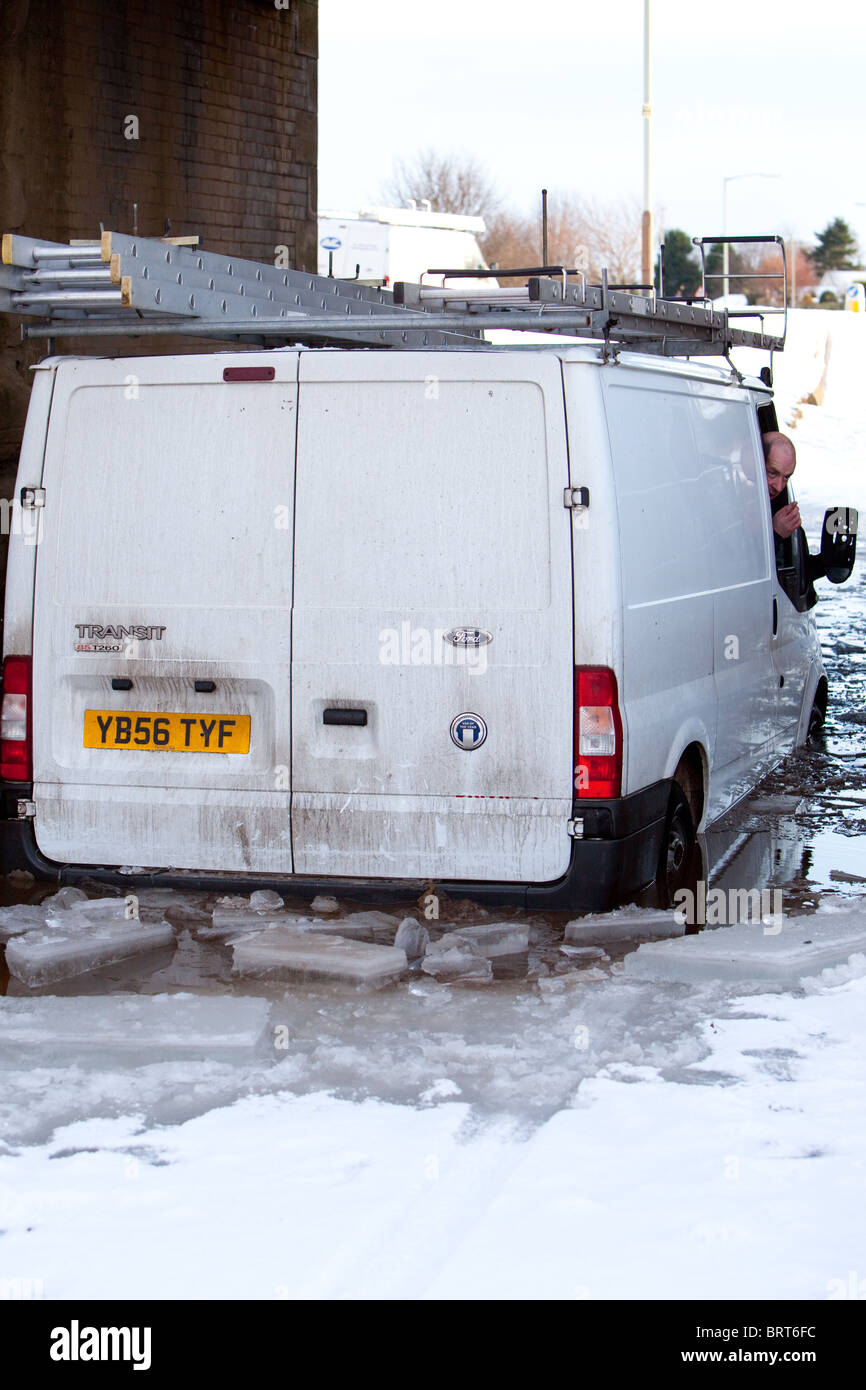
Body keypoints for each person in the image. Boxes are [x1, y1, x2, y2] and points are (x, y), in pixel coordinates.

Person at [761, 431, 827, 607]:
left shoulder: (778, 506)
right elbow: (739, 571)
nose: (779, 486)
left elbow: (792, 573)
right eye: (772, 473)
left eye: (786, 477)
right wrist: (775, 535)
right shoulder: (728, 503)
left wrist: (828, 561)